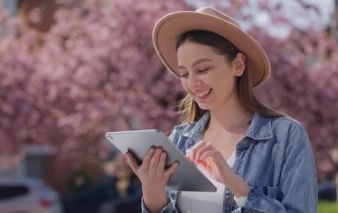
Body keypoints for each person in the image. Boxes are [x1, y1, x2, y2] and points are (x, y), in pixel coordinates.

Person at [125, 7, 317, 213]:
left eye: (203, 69)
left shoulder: (285, 137)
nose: (192, 83)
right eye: (184, 73)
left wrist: (239, 188)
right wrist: (154, 199)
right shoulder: (178, 141)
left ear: (238, 65)